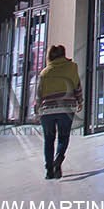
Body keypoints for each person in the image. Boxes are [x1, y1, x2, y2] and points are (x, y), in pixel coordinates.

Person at [35, 44, 83, 179]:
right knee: (63, 137)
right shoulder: (72, 67)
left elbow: (39, 94)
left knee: (49, 140)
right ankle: (59, 160)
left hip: (47, 111)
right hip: (66, 108)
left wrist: (37, 108)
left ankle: (49, 170)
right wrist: (80, 101)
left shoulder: (44, 72)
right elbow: (77, 86)